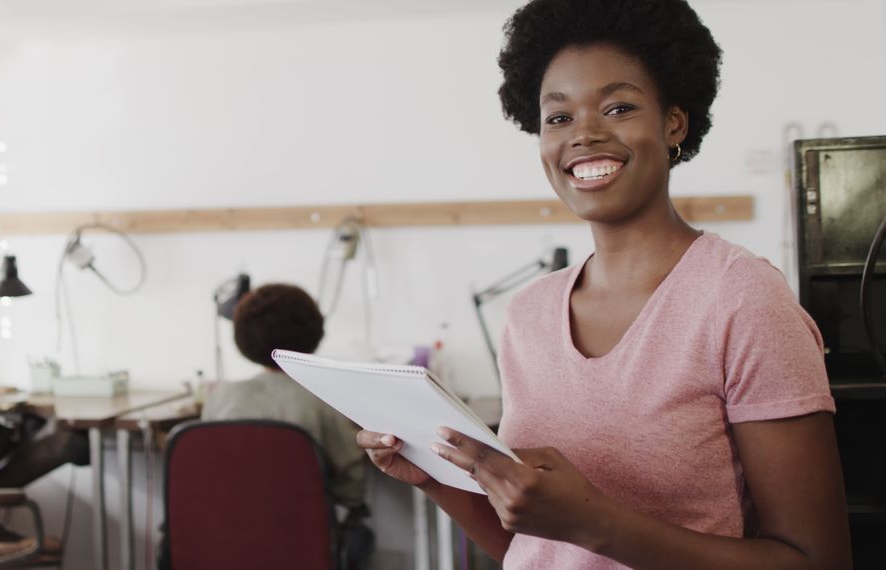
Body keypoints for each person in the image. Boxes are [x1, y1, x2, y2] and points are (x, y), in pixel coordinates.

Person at [358, 1, 852, 568]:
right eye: (559, 117)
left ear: (674, 123)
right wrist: (434, 480)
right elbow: (534, 545)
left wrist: (594, 522)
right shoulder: (530, 313)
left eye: (618, 107)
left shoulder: (743, 300)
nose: (585, 134)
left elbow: (818, 559)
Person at [201, 282, 367, 512]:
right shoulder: (323, 401)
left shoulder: (219, 397)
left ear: (243, 337)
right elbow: (351, 485)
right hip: (307, 535)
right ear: (314, 331)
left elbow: (208, 469)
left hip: (226, 530)